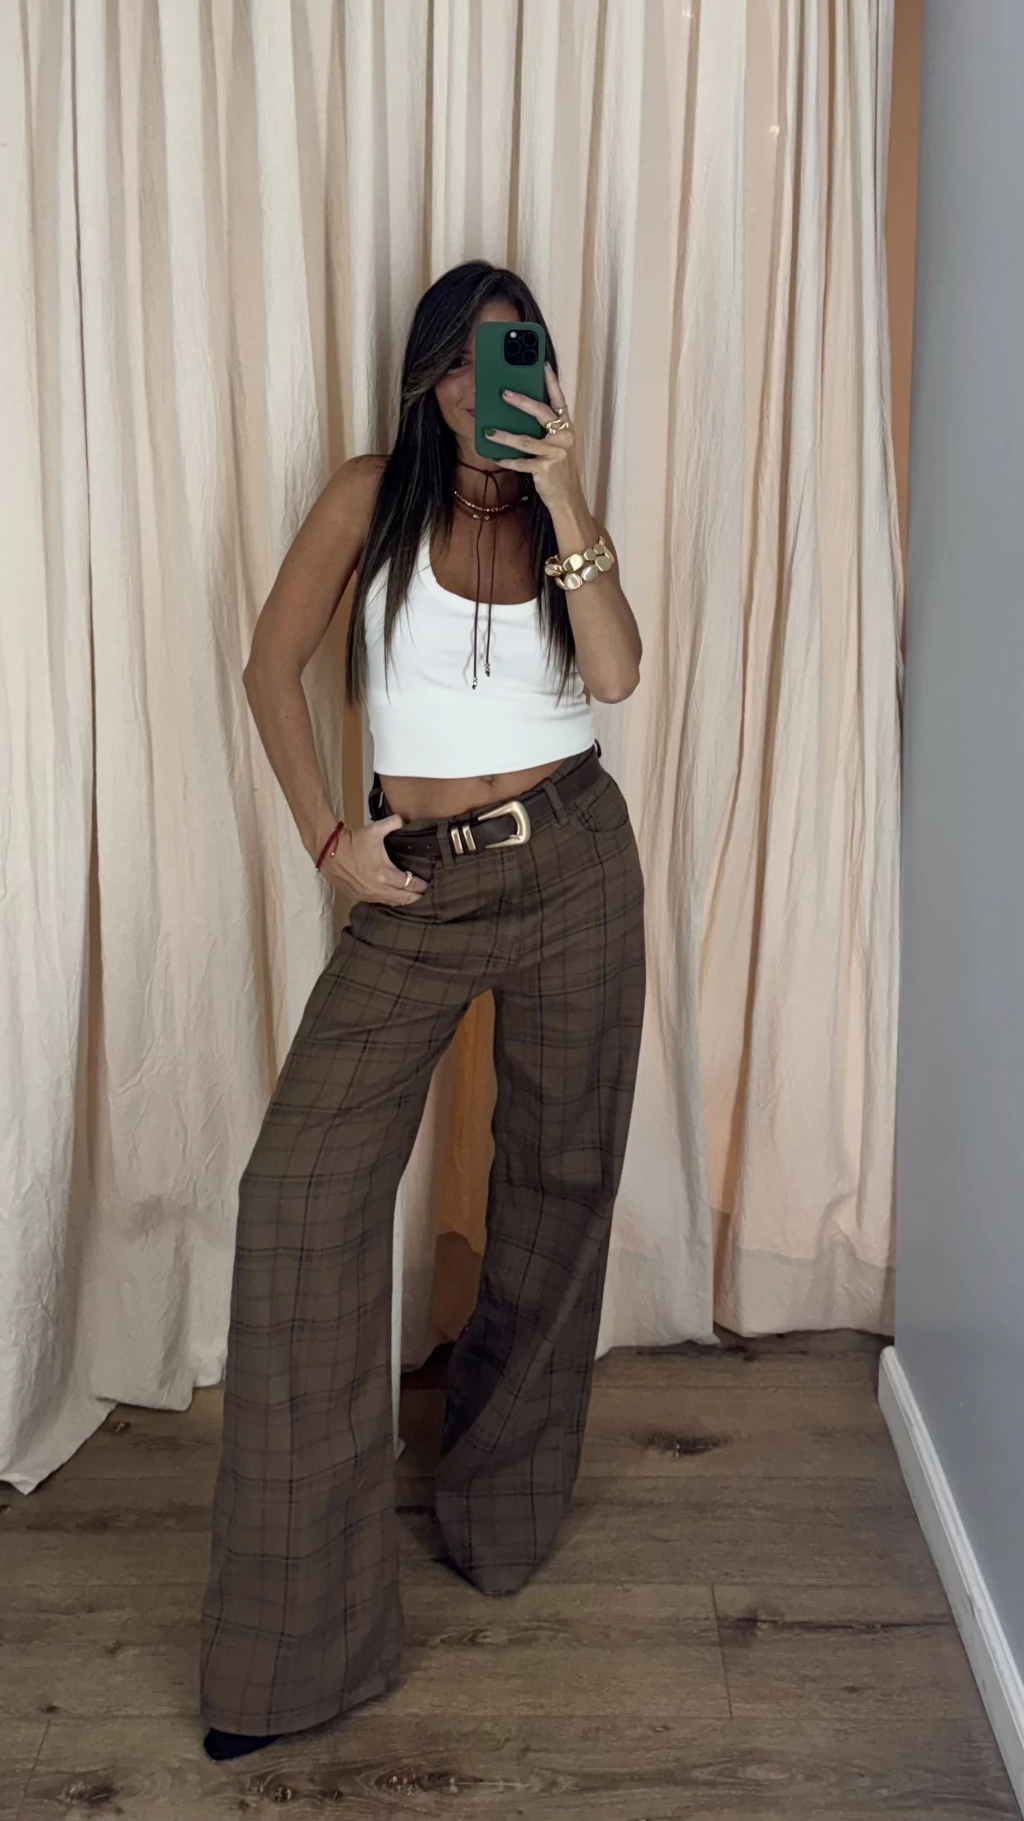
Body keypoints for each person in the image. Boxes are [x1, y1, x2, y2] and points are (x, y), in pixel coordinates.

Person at [198, 261, 646, 1761]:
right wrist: (331, 839)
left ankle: (497, 1514)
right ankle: (296, 1653)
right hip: (418, 884)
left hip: (577, 858)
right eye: (456, 361)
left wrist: (565, 493)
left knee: (561, 1182)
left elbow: (618, 674)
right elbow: (268, 667)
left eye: (505, 359)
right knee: (299, 1199)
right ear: (423, 375)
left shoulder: (555, 506)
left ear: (541, 373)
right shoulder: (368, 493)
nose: (475, 387)